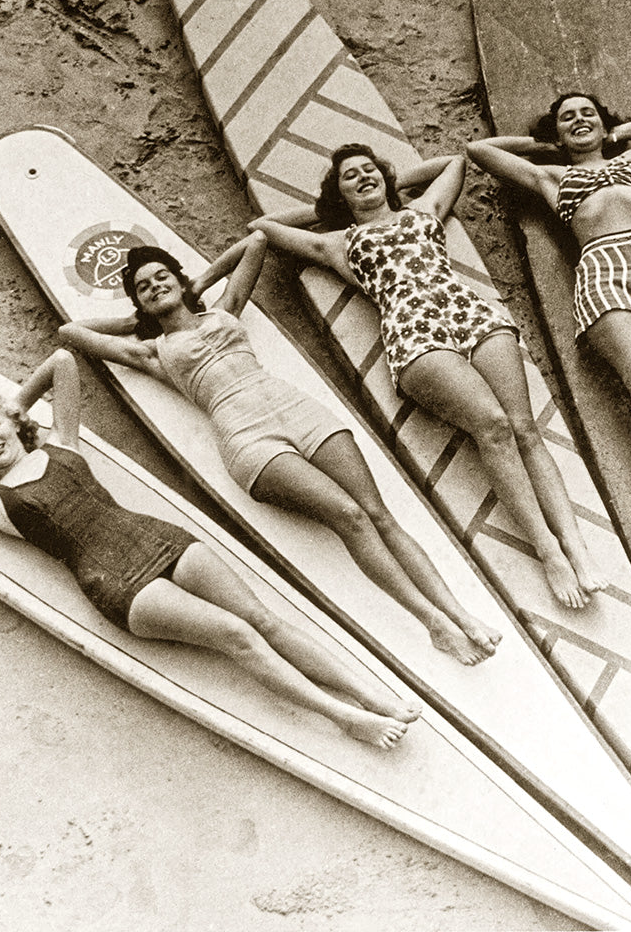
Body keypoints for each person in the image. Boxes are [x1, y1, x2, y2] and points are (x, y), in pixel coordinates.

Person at [0, 349, 418, 748]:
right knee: (237, 636)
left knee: (264, 619)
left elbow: (63, 360)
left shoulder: (64, 442)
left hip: (159, 537)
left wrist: (5, 410)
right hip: (116, 584)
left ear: (14, 423)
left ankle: (371, 696)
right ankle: (343, 717)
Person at [58, 232, 499, 665]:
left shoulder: (225, 311)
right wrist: (136, 321)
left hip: (298, 410)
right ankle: (433, 623)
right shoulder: (152, 352)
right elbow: (72, 332)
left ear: (178, 277)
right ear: (139, 302)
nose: (155, 286)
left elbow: (256, 243)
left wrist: (196, 285)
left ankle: (461, 614)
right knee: (349, 517)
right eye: (143, 288)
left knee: (378, 513)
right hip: (248, 437)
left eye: (161, 277)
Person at [250, 144, 608, 607]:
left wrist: (393, 184)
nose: (363, 177)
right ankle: (549, 550)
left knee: (524, 429)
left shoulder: (424, 210)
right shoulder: (337, 242)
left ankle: (576, 546)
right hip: (415, 333)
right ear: (338, 196)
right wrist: (328, 210)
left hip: (470, 315)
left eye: (370, 170)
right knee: (493, 428)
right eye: (349, 177)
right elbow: (262, 228)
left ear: (386, 175)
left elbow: (454, 163)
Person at [468, 96, 631, 562]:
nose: (579, 120)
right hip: (601, 267)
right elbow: (481, 149)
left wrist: (615, 135)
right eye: (567, 117)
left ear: (604, 121)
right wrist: (545, 143)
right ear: (556, 132)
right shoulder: (551, 177)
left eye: (587, 113)